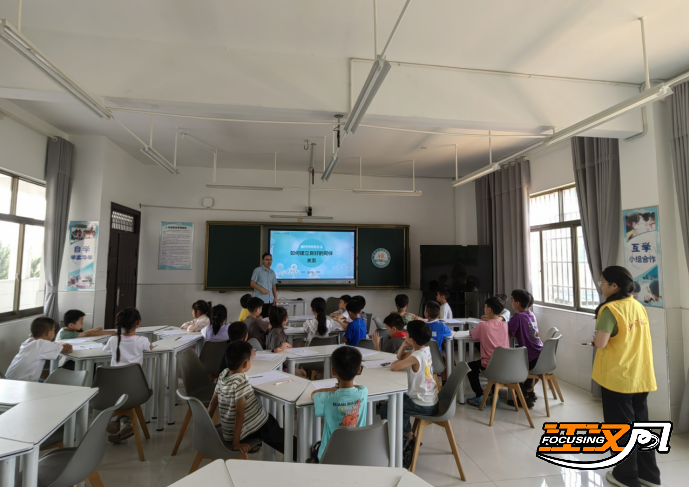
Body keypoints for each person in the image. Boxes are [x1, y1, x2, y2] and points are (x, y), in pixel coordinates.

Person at [591, 266, 660, 487]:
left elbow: (601, 343)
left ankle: (626, 476)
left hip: (618, 378)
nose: (601, 287)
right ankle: (649, 475)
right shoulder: (638, 306)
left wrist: (595, 339)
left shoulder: (610, 310)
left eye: (603, 283)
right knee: (642, 427)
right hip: (641, 375)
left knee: (621, 430)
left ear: (615, 286)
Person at [208, 341, 297, 459]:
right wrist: (236, 443)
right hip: (253, 426)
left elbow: (213, 402)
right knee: (277, 432)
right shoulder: (240, 382)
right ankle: (303, 454)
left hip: (228, 431)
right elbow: (240, 414)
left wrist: (207, 427)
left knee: (274, 427)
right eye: (252, 359)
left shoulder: (223, 375)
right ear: (245, 363)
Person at [381, 320, 438, 458]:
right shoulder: (424, 350)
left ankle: (402, 443)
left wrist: (406, 345)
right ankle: (409, 435)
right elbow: (399, 357)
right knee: (402, 399)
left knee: (386, 408)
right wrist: (405, 344)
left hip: (423, 404)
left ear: (412, 339)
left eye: (407, 334)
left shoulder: (416, 356)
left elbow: (394, 366)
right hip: (428, 399)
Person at [102, 308, 152, 443]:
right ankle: (125, 422)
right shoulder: (142, 340)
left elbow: (105, 350)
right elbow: (150, 348)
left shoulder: (113, 340)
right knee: (130, 393)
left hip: (113, 390)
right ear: (138, 322)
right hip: (136, 390)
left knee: (122, 394)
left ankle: (119, 422)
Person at [310, 346, 368, 463]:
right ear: (359, 370)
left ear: (333, 372)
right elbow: (359, 387)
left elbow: (313, 394)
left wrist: (334, 388)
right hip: (356, 456)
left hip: (329, 457)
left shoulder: (327, 398)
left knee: (313, 449)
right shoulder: (363, 392)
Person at [466, 297, 510, 407]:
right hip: (504, 363)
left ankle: (480, 396)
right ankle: (495, 396)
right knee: (496, 370)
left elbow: (472, 333)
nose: (484, 309)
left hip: (488, 363)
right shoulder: (505, 325)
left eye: (485, 307)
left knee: (469, 367)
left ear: (489, 310)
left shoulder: (482, 326)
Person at [6, 317, 72, 382]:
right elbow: (68, 349)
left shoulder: (28, 341)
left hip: (8, 379)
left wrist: (59, 343)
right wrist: (63, 344)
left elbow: (53, 344)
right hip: (22, 383)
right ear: (48, 332)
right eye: (54, 330)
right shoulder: (42, 344)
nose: (54, 332)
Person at [507, 289, 541, 408]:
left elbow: (509, 334)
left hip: (530, 357)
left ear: (517, 303)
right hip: (541, 355)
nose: (511, 301)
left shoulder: (517, 316)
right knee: (521, 366)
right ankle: (530, 391)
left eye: (512, 299)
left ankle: (524, 398)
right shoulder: (531, 314)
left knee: (511, 369)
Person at [250, 253, 278, 317]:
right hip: (260, 301)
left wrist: (275, 297)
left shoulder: (272, 272)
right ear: (263, 261)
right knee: (260, 319)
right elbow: (252, 283)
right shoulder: (257, 270)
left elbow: (273, 285)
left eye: (270, 259)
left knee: (268, 319)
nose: (269, 261)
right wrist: (262, 290)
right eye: (267, 260)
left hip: (270, 300)